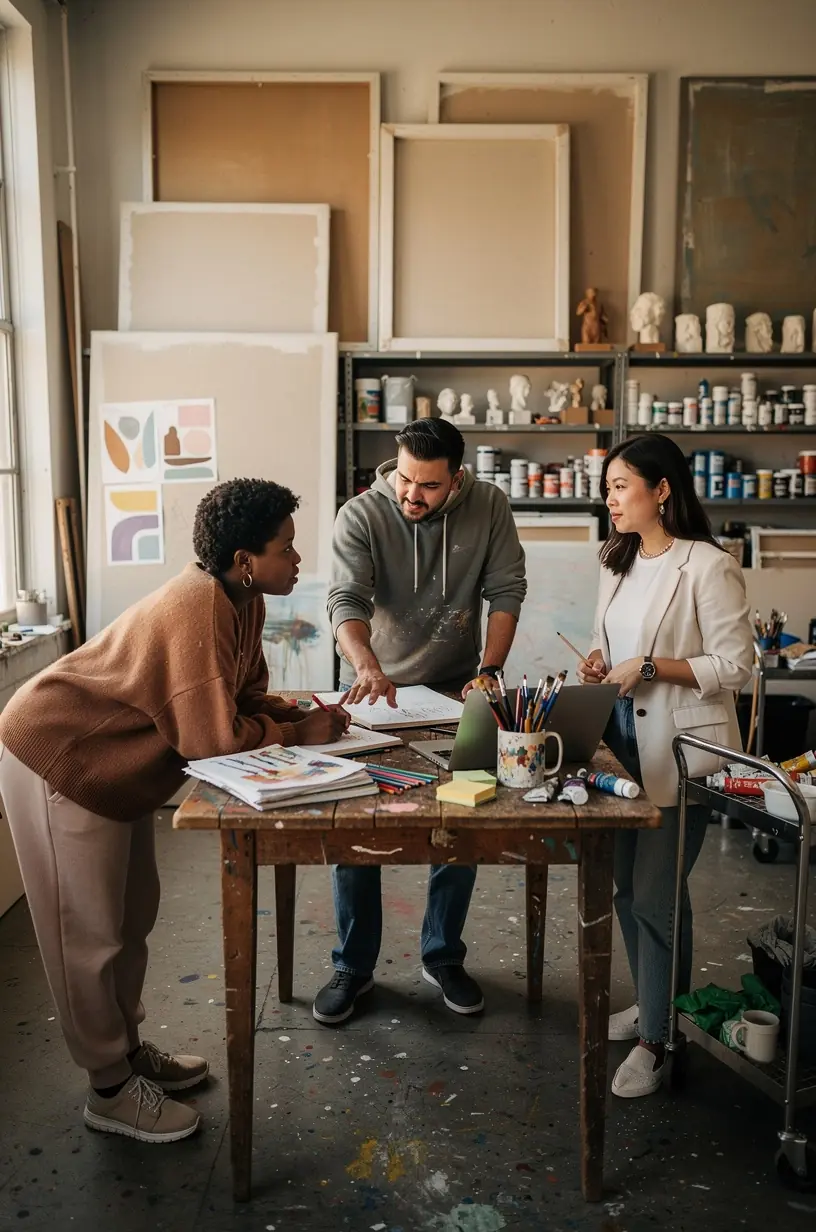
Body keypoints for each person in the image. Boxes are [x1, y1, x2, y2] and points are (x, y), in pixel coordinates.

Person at [0, 479, 348, 1143]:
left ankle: (127, 1052)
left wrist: (297, 715)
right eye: (286, 547)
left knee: (131, 915)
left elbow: (242, 696)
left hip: (114, 766)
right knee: (86, 935)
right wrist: (296, 735)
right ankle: (108, 1088)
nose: (297, 558)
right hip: (60, 755)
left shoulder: (243, 599)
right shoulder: (198, 606)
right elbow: (210, 738)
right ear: (246, 560)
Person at [315, 418, 527, 1025]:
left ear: (456, 478)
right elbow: (345, 600)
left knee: (460, 819)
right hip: (371, 687)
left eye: (429, 485)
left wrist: (490, 670)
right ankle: (353, 966)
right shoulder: (361, 514)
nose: (412, 494)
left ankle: (442, 955)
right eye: (405, 479)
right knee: (356, 820)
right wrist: (366, 665)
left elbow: (506, 592)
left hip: (457, 688)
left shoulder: (489, 506)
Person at [578, 435, 752, 1098]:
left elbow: (736, 666)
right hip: (620, 741)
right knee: (629, 892)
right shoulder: (616, 559)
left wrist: (650, 667)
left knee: (655, 898)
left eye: (622, 486)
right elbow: (608, 642)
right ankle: (659, 1007)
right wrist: (599, 661)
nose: (610, 499)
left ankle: (656, 1041)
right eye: (608, 488)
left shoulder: (708, 565)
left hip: (681, 749)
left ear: (662, 490)